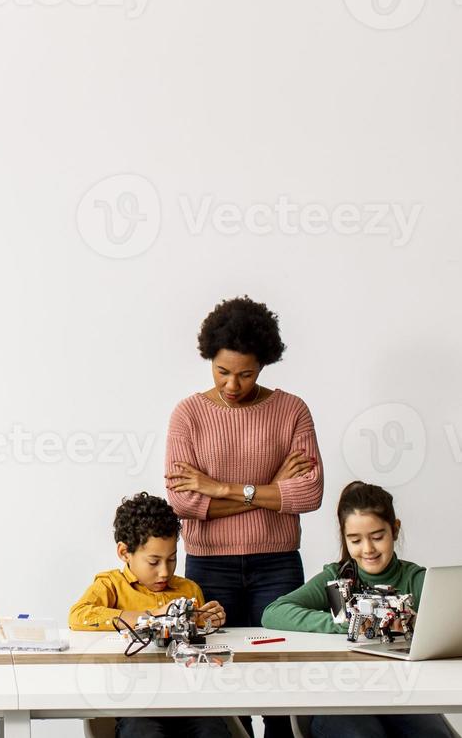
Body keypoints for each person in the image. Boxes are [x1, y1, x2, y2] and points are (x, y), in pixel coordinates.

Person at [165, 296, 324, 738]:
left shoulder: (291, 410)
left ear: (264, 365)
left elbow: (309, 492)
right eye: (222, 371)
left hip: (277, 564)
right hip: (209, 565)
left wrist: (219, 489)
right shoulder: (189, 415)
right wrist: (271, 488)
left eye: (246, 373)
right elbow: (182, 504)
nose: (233, 384)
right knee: (219, 685)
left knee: (280, 682)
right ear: (209, 360)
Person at [262, 481, 456, 738]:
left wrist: (419, 624)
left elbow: (452, 626)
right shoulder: (337, 578)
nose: (368, 549)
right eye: (355, 540)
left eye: (378, 537)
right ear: (344, 538)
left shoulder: (416, 580)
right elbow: (274, 612)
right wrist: (345, 623)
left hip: (401, 694)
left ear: (394, 530)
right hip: (340, 697)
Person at [69, 492, 233, 738]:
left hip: (190, 701)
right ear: (125, 553)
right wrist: (153, 615)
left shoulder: (188, 590)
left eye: (172, 559)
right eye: (154, 562)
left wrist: (209, 620)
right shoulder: (111, 585)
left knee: (213, 730)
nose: (164, 572)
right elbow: (79, 616)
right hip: (137, 703)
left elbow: (201, 640)